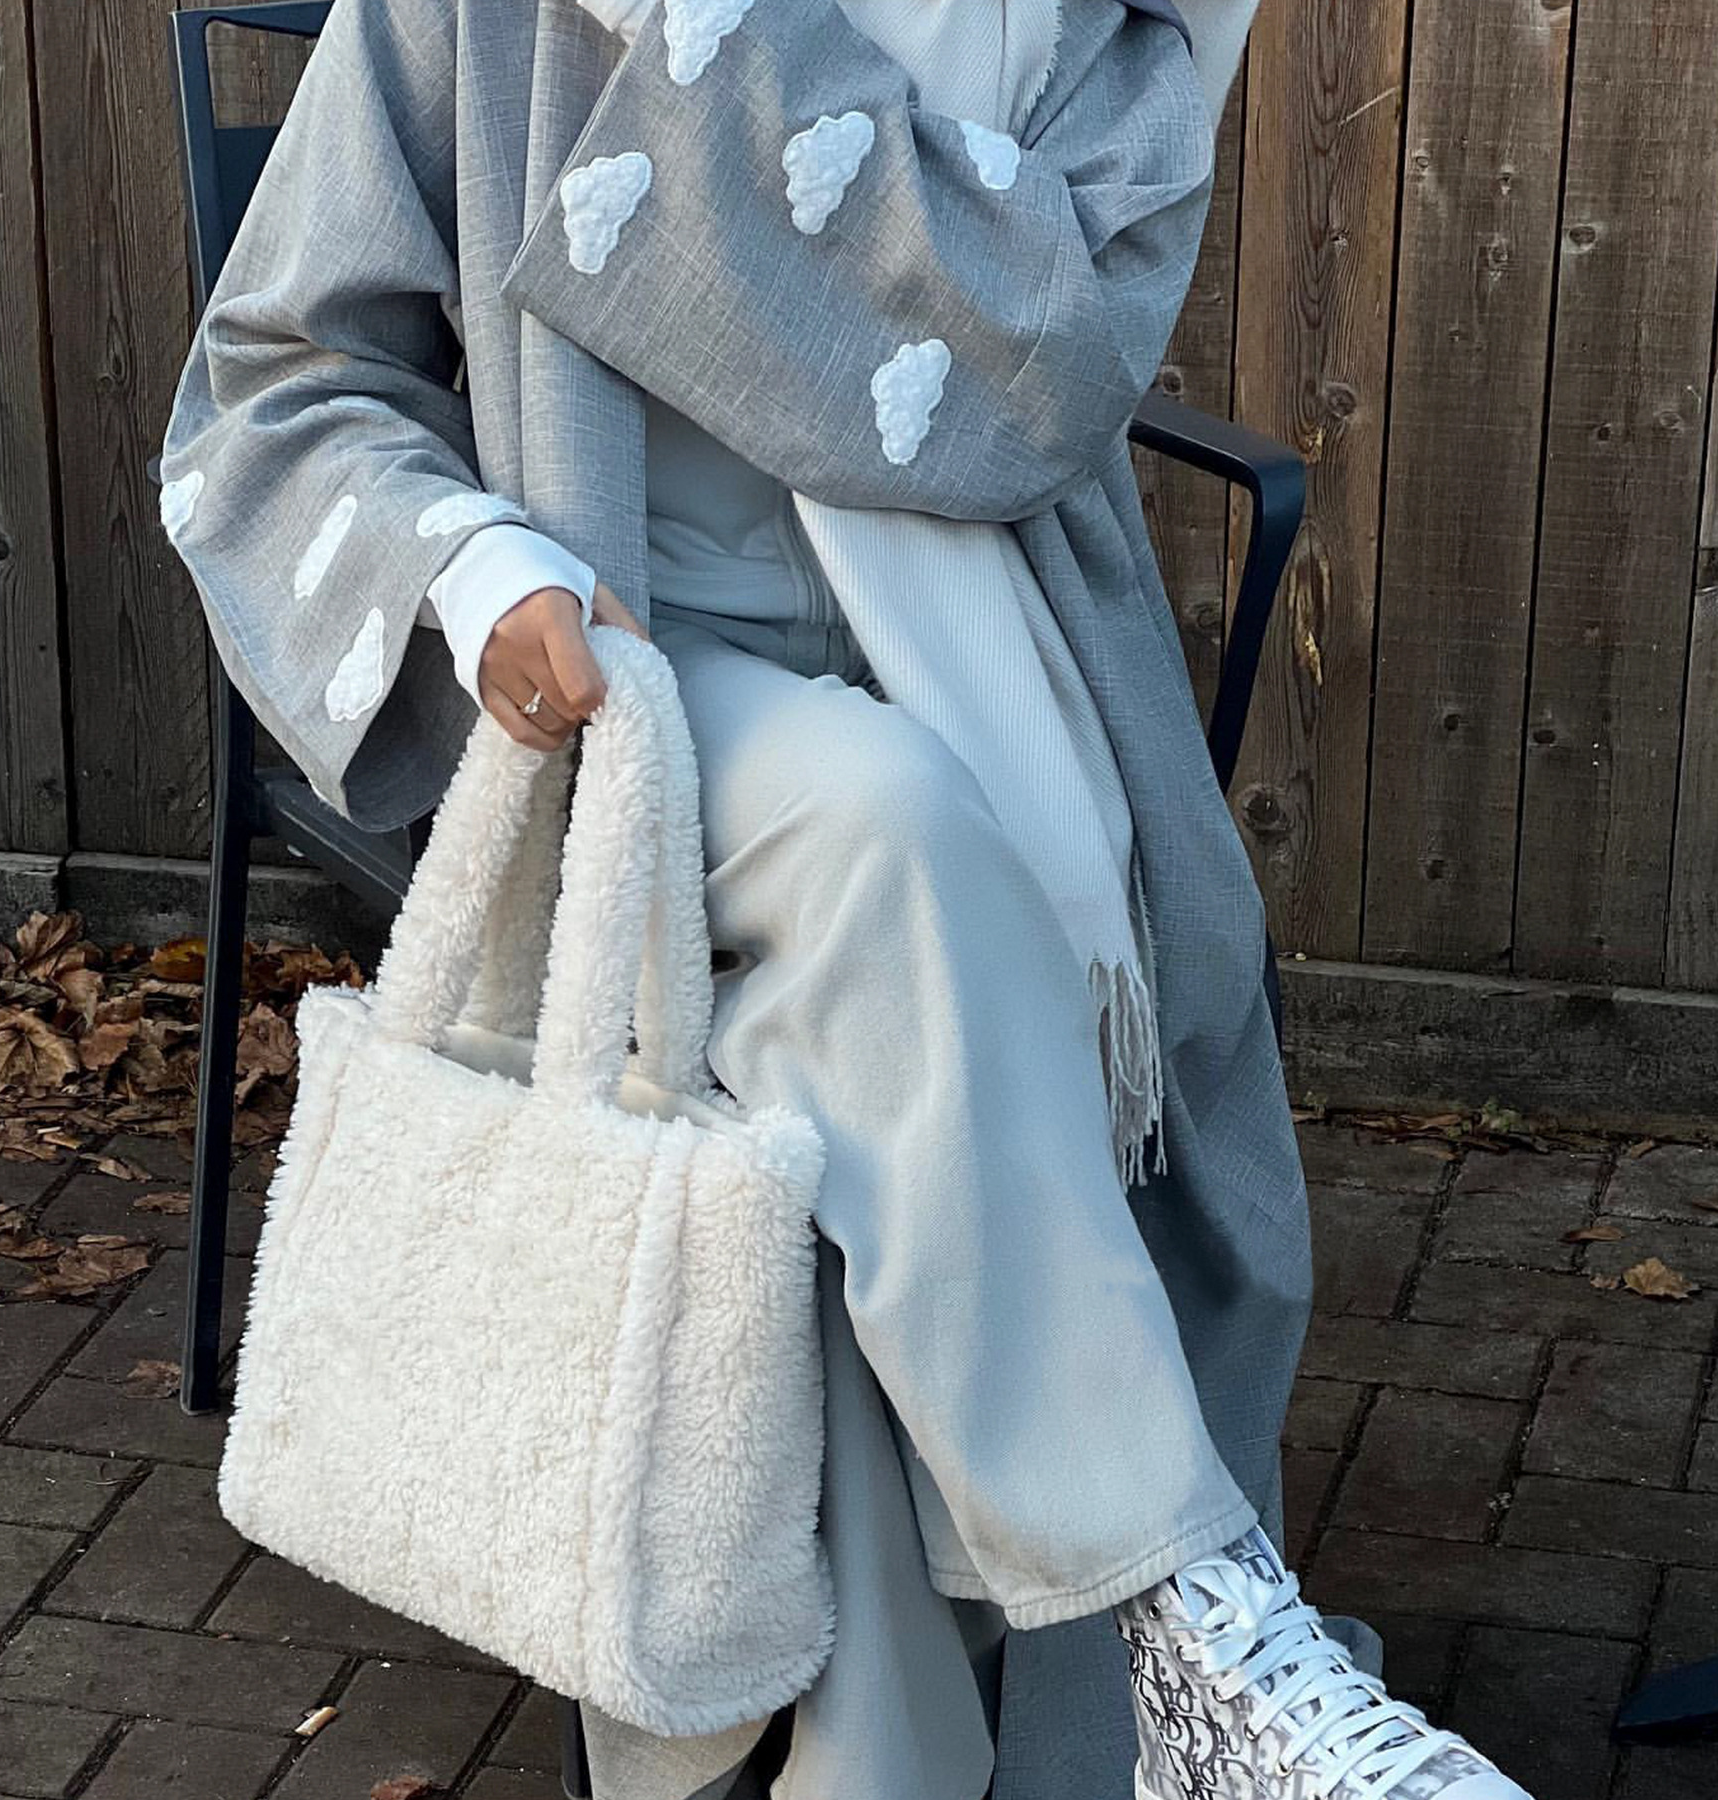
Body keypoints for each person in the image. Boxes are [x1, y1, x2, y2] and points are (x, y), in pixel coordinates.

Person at [157, 0, 1537, 1794]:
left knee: (894, 1052)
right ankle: (1192, 1621)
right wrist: (478, 565)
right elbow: (275, 383)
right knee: (894, 835)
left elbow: (1052, 365)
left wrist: (735, 60)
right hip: (634, 670)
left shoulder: (1101, 28)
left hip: (1001, 653)